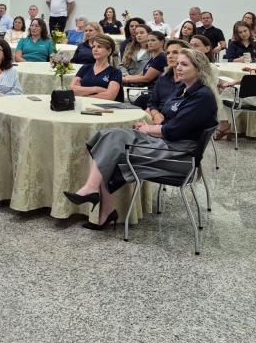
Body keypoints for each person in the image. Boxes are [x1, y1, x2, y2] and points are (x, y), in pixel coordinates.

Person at [64, 48, 217, 229]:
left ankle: (97, 198)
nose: (178, 68)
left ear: (199, 69)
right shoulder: (184, 89)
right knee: (109, 137)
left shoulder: (202, 96)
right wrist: (154, 124)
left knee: (112, 144)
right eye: (177, 64)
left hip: (177, 155)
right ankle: (99, 201)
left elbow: (174, 131)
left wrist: (149, 129)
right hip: (167, 144)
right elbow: (168, 117)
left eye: (184, 64)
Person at [142, 39, 186, 123]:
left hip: (174, 122)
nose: (170, 56)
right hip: (156, 118)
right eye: (168, 53)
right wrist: (156, 114)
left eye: (175, 52)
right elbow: (152, 103)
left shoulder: (189, 81)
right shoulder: (163, 77)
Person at [70, 35, 123, 102]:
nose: (95, 49)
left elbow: (109, 96)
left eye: (99, 47)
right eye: (93, 47)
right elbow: (72, 90)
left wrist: (83, 94)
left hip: (104, 107)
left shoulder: (115, 72)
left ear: (109, 51)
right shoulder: (85, 68)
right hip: (84, 105)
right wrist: (97, 89)